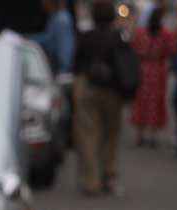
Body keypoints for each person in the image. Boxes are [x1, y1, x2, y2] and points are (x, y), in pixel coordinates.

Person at [72, 0, 125, 195]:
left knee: (88, 135)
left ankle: (90, 180)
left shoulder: (86, 37)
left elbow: (75, 63)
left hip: (89, 88)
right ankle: (108, 176)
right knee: (110, 135)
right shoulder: (118, 38)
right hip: (113, 91)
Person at [130, 7, 175, 147]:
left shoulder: (141, 33)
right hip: (158, 70)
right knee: (156, 102)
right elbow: (171, 51)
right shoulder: (166, 34)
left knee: (141, 102)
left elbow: (133, 48)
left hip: (143, 69)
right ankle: (153, 136)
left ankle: (140, 135)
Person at [31, 0, 76, 74]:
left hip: (60, 70)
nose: (42, 3)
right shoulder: (54, 17)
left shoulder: (61, 19)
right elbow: (47, 37)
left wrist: (63, 70)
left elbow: (65, 48)